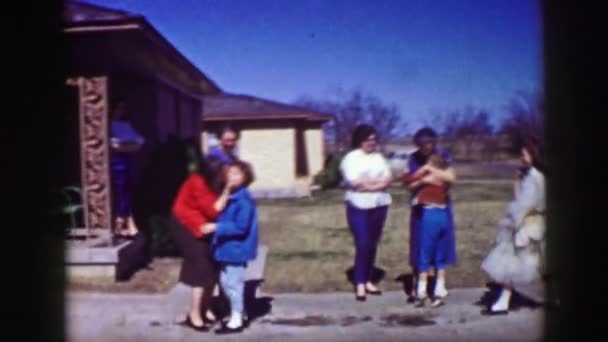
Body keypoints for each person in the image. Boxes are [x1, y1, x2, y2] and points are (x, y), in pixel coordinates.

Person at [480, 137, 546, 315]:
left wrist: (510, 224)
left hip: (527, 226)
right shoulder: (541, 176)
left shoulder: (533, 177)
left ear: (533, 155)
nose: (521, 157)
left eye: (524, 154)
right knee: (540, 264)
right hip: (539, 224)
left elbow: (522, 204)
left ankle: (503, 303)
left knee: (510, 262)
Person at [170, 156, 236, 332]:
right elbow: (213, 211)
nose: (227, 174)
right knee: (201, 264)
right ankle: (194, 315)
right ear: (213, 172)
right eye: (224, 171)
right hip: (185, 223)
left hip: (204, 224)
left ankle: (205, 309)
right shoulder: (197, 183)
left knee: (212, 263)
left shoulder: (214, 181)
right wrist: (228, 189)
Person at [203, 160, 258, 334]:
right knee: (227, 284)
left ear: (246, 177)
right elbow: (217, 209)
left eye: (237, 174)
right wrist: (226, 191)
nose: (231, 177)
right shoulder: (231, 196)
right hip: (227, 249)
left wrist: (216, 227)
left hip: (236, 249)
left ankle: (236, 320)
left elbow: (241, 227)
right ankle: (240, 313)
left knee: (233, 285)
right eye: (230, 173)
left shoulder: (243, 200)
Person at [339, 124, 393, 301]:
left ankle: (368, 278)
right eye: (368, 139)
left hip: (380, 204)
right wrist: (375, 184)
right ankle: (359, 283)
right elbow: (355, 183)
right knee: (362, 242)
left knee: (372, 244)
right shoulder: (351, 158)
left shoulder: (379, 158)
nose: (372, 142)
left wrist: (370, 185)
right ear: (359, 140)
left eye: (374, 139)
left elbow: (387, 179)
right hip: (358, 206)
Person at [405, 127, 457, 307]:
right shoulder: (413, 158)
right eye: (422, 145)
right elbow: (409, 183)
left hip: (440, 207)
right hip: (422, 208)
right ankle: (418, 287)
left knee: (441, 246)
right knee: (420, 246)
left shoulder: (442, 155)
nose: (426, 147)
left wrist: (430, 169)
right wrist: (423, 181)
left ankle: (438, 287)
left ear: (434, 143)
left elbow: (451, 177)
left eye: (429, 144)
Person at [110, 99, 144, 238]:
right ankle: (121, 220)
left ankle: (126, 220)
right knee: (119, 191)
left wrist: (128, 145)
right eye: (118, 108)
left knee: (128, 190)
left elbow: (139, 140)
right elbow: (112, 144)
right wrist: (125, 145)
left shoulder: (125, 125)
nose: (120, 111)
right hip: (115, 162)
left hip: (127, 160)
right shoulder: (107, 125)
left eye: (123, 109)